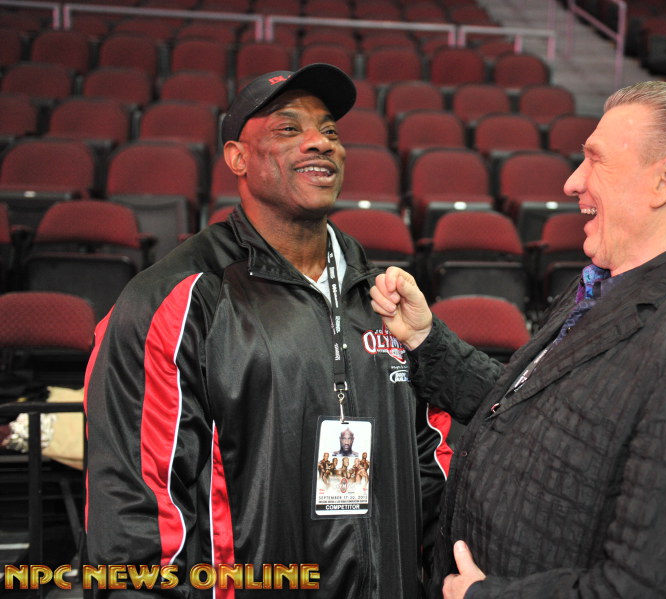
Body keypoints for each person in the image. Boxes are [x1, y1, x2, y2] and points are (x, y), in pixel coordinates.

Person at [370, 81, 666, 598]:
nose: (571, 182)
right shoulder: (602, 286)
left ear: (665, 180)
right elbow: (523, 410)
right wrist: (425, 338)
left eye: (595, 159)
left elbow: (652, 590)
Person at [84, 64, 445, 598]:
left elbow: (431, 458)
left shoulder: (386, 297)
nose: (320, 142)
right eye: (288, 128)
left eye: (330, 130)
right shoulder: (177, 298)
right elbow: (136, 507)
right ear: (237, 158)